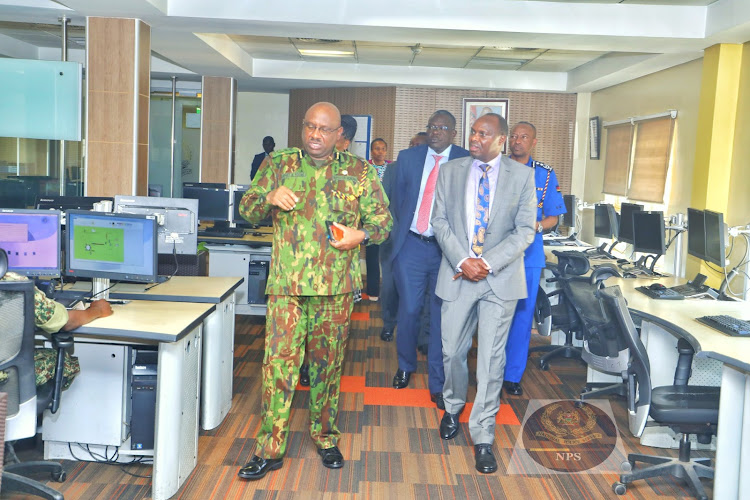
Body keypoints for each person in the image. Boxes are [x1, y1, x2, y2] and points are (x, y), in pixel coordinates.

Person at [236, 102, 391, 480]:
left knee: (327, 368)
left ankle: (324, 437)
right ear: (302, 128)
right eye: (309, 127)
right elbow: (246, 208)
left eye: (324, 129)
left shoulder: (359, 171)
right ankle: (269, 449)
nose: (315, 135)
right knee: (278, 368)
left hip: (335, 291)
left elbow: (384, 222)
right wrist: (268, 197)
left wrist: (362, 235)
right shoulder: (279, 164)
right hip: (287, 288)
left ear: (339, 134)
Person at [431, 113, 536, 474]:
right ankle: (453, 405)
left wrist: (486, 263)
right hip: (458, 275)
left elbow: (524, 232)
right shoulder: (451, 170)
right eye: (473, 131)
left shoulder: (523, 176)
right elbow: (439, 221)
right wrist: (463, 260)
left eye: (483, 134)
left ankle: (483, 434)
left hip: (500, 280)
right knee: (451, 353)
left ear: (501, 140)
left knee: (492, 361)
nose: (474, 138)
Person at [387, 110, 469, 410]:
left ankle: (437, 382)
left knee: (440, 317)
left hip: (447, 252)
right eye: (431, 127)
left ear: (453, 133)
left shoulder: (465, 160)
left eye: (442, 128)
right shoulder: (408, 157)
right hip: (411, 245)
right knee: (408, 309)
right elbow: (397, 201)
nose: (435, 132)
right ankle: (406, 366)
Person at [502, 121, 566, 396]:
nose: (517, 141)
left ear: (533, 142)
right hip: (497, 254)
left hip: (528, 255)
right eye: (513, 136)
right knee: (492, 313)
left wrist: (538, 226)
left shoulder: (545, 175)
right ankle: (489, 369)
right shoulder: (495, 169)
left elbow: (553, 216)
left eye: (523, 137)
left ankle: (512, 375)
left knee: (521, 315)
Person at [0, 257, 114, 386]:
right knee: (66, 362)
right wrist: (96, 310)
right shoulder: (14, 283)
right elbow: (66, 323)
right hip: (6, 378)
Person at [365, 138, 390, 301]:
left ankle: (388, 292)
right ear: (371, 151)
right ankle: (373, 291)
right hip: (370, 217)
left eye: (382, 149)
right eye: (376, 149)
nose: (379, 152)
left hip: (389, 217)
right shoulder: (365, 168)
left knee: (388, 257)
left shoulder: (393, 167)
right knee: (372, 256)